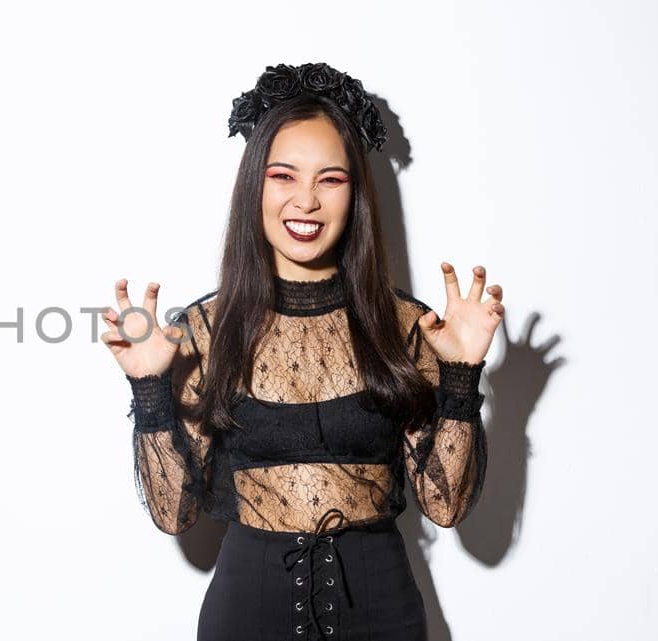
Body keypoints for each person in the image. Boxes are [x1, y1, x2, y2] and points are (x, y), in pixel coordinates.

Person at [99, 63, 506, 641]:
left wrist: (461, 376)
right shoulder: (203, 331)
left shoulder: (410, 326)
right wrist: (149, 392)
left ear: (355, 193)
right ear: (255, 187)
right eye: (283, 176)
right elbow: (174, 515)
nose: (306, 201)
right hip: (247, 614)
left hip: (382, 615)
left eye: (330, 179)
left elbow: (446, 507)